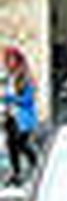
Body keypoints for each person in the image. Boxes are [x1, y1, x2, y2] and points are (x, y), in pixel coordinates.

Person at [2, 46, 40, 187]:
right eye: (7, 59)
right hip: (11, 116)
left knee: (22, 144)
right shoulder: (9, 77)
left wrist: (9, 98)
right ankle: (16, 173)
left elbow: (28, 99)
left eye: (11, 59)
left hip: (22, 118)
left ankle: (37, 165)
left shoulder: (25, 77)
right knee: (11, 145)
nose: (8, 62)